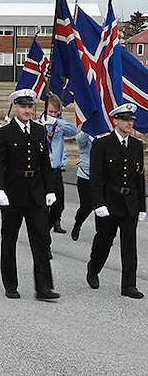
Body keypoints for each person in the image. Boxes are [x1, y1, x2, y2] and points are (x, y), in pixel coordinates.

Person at [0, 89, 59, 301]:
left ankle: (44, 288)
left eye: (30, 107)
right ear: (15, 108)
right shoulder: (4, 132)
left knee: (41, 240)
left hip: (36, 192)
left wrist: (50, 189)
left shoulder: (39, 130)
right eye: (23, 106)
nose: (27, 110)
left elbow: (45, 163)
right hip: (12, 192)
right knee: (9, 239)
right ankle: (11, 284)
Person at [87, 103, 146, 299]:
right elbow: (96, 177)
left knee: (130, 244)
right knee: (104, 240)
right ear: (116, 121)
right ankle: (93, 268)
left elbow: (139, 178)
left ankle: (129, 286)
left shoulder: (137, 145)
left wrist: (142, 206)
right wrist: (98, 204)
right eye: (126, 120)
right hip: (109, 201)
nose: (129, 123)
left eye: (131, 120)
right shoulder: (102, 143)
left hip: (130, 202)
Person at [42, 94, 79, 235]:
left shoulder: (60, 124)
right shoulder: (38, 124)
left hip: (55, 171)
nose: (52, 114)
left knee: (59, 205)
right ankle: (44, 239)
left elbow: (73, 131)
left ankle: (48, 227)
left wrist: (57, 122)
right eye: (50, 112)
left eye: (55, 112)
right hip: (42, 170)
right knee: (44, 206)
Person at [71, 131, 94, 241]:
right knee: (87, 206)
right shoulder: (85, 137)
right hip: (85, 176)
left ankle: (103, 236)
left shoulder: (105, 135)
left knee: (102, 206)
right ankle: (78, 224)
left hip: (101, 178)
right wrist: (89, 127)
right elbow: (80, 139)